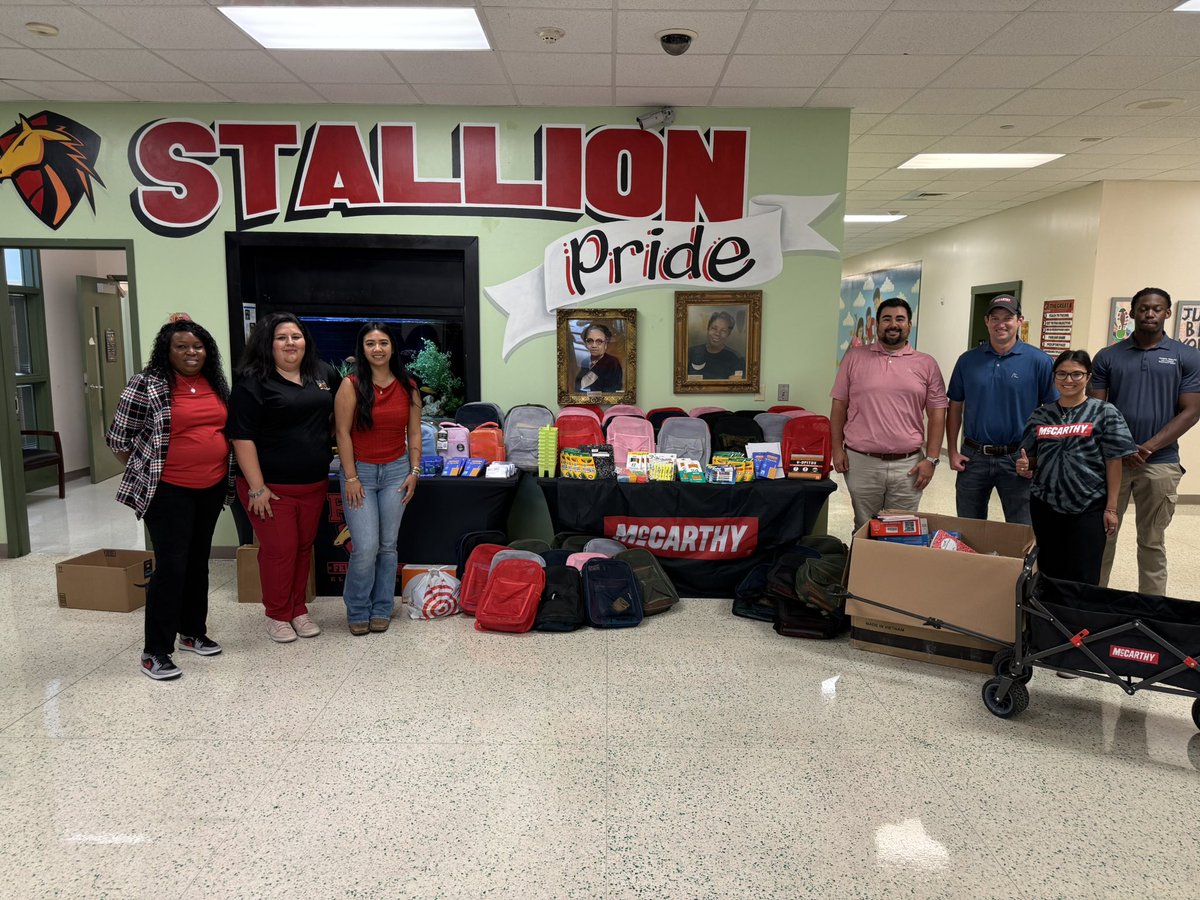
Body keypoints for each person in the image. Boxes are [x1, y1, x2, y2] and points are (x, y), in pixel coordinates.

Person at [106, 318, 234, 681]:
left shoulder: (215, 383)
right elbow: (118, 438)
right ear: (167, 350)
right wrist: (147, 470)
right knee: (172, 566)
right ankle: (155, 651)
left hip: (210, 486)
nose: (191, 353)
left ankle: (192, 632)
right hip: (167, 490)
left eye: (197, 346)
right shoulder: (147, 384)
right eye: (181, 346)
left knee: (198, 562)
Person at [229, 312, 340, 644]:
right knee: (280, 550)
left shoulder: (323, 373)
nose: (291, 343)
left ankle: (297, 609)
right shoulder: (252, 381)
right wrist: (257, 487)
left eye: (296, 336)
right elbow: (241, 437)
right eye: (282, 338)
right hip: (269, 487)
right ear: (268, 343)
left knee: (303, 548)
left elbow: (335, 415)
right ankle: (277, 614)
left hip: (313, 481)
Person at [1090, 287, 1200, 595]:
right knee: (1102, 536)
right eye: (1143, 308)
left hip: (1161, 464)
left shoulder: (1186, 356)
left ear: (1166, 313)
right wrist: (1121, 447)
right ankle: (1094, 603)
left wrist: (1149, 447)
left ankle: (1151, 611)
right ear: (1133, 312)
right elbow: (1095, 410)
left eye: (1156, 309)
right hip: (1112, 463)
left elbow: (1191, 411)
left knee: (1152, 542)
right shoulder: (1108, 356)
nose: (1149, 314)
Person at [1017, 350, 1136, 585]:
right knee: (1049, 568)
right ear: (1054, 377)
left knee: (1084, 572)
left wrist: (1111, 508)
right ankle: (1050, 618)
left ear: (1088, 377)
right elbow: (1031, 456)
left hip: (1088, 504)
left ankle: (1080, 620)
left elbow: (1114, 462)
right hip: (1045, 503)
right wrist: (1025, 464)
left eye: (1076, 374)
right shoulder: (1041, 414)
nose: (1068, 380)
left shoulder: (1105, 413)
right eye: (1061, 373)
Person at [333, 322, 422, 635]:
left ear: (392, 347)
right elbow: (342, 433)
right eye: (370, 343)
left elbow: (413, 432)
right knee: (366, 546)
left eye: (383, 342)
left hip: (397, 472)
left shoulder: (408, 384)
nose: (377, 349)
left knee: (387, 545)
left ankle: (382, 606)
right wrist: (351, 477)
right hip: (361, 474)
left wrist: (414, 471)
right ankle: (358, 608)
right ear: (363, 348)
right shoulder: (351, 385)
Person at [830, 298, 948, 531]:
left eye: (900, 319)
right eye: (887, 319)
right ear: (877, 325)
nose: (893, 324)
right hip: (861, 462)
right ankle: (863, 568)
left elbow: (937, 414)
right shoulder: (854, 358)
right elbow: (838, 407)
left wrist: (932, 459)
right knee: (864, 526)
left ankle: (893, 568)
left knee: (901, 529)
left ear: (909, 325)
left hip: (909, 465)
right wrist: (836, 449)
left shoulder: (927, 364)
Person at [946, 296, 1057, 524]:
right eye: (995, 318)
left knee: (1022, 528)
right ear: (986, 321)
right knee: (969, 526)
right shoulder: (967, 361)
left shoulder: (1039, 361)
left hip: (1019, 456)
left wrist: (1038, 457)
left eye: (1008, 318)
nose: (1001, 324)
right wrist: (952, 451)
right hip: (973, 456)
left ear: (1020, 321)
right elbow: (954, 406)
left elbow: (1054, 411)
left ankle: (1016, 563)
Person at [688, 310, 745, 379]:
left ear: (728, 334)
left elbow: (736, 388)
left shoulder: (736, 359)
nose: (717, 333)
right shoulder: (690, 353)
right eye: (714, 328)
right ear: (708, 329)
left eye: (723, 331)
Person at [574, 322, 623, 393]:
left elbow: (612, 390)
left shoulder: (613, 363)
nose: (594, 345)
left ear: (606, 343)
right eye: (590, 341)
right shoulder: (585, 361)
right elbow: (579, 386)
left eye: (599, 341)